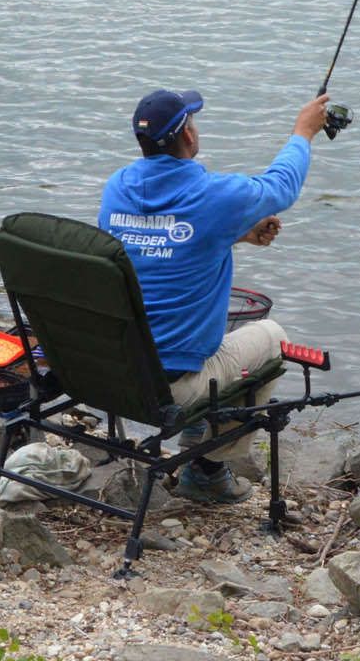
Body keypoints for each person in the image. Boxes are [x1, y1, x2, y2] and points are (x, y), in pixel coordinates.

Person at [99, 86, 330, 503]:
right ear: (188, 135)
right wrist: (303, 132)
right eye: (193, 120)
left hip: (113, 373)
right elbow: (282, 185)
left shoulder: (117, 188)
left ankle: (195, 434)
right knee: (272, 338)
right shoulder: (213, 195)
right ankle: (206, 471)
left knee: (201, 332)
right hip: (168, 388)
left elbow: (157, 246)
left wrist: (233, 235)